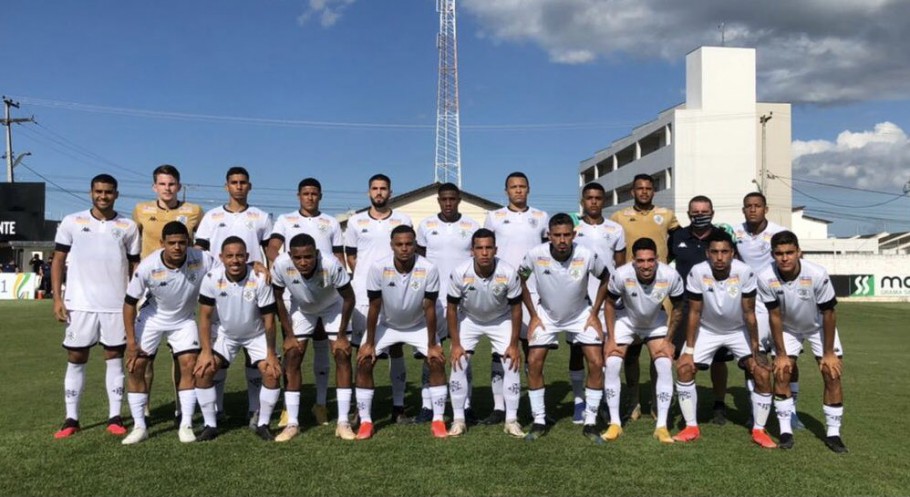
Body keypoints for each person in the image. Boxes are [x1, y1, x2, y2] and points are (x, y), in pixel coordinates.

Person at [51, 174, 140, 439]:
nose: (103, 196)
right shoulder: (72, 221)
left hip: (116, 305)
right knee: (76, 357)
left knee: (114, 357)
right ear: (91, 192)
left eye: (108, 192)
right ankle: (71, 418)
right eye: (99, 191)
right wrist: (58, 298)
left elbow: (135, 265)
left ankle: (115, 416)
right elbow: (57, 261)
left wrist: (134, 300)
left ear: (116, 194)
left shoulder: (128, 225)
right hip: (80, 304)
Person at [672, 231, 777, 448]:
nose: (720, 257)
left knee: (762, 372)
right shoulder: (698, 272)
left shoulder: (745, 272)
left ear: (733, 254)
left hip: (738, 330)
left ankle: (759, 429)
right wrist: (689, 349)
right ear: (707, 254)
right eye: (715, 252)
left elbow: (749, 312)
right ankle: (691, 426)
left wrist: (756, 349)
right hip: (707, 330)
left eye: (725, 252)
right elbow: (694, 312)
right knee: (683, 367)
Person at [120, 221, 216, 444]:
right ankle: (139, 426)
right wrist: (131, 342)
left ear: (189, 243)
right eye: (171, 243)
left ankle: (186, 424)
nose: (177, 247)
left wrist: (256, 266)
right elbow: (128, 304)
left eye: (182, 243)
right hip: (152, 318)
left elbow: (230, 265)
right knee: (136, 367)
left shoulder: (203, 259)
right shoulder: (147, 266)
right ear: (162, 243)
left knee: (189, 365)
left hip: (183, 320)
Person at [518, 213, 608, 443]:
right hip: (546, 316)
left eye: (566, 235)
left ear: (574, 235)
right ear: (549, 235)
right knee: (534, 361)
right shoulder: (535, 255)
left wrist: (595, 313)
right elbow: (519, 279)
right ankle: (539, 420)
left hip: (581, 315)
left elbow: (606, 278)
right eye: (557, 235)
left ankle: (590, 422)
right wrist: (534, 314)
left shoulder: (586, 255)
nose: (562, 240)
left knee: (597, 362)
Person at [194, 166, 273, 426]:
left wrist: (265, 267)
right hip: (220, 291)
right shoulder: (212, 216)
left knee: (255, 358)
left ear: (249, 186)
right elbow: (200, 252)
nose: (238, 186)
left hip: (251, 289)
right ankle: (215, 411)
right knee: (214, 358)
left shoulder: (260, 216)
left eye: (243, 182)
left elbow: (269, 250)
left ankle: (254, 410)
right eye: (234, 182)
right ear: (226, 186)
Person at [354, 225, 448, 439]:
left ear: (415, 245)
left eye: (409, 244)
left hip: (419, 325)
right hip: (387, 325)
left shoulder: (429, 268)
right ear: (392, 246)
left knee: (437, 361)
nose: (404, 248)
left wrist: (432, 343)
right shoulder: (379, 268)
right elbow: (374, 306)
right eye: (399, 244)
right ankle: (366, 421)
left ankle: (439, 420)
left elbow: (430, 307)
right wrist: (369, 343)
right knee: (364, 361)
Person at [757, 231, 847, 453]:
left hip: (818, 327)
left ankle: (833, 434)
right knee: (782, 371)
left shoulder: (817, 274)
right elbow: (774, 316)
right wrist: (780, 353)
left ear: (799, 252)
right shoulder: (765, 276)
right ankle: (786, 431)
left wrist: (827, 353)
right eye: (779, 254)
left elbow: (829, 313)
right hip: (787, 327)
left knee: (831, 372)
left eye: (789, 252)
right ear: (773, 254)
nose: (784, 258)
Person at [267, 177, 345, 427]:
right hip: (294, 292)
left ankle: (320, 403)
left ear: (320, 196)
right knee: (293, 351)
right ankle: (289, 411)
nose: (310, 197)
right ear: (298, 195)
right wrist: (279, 265)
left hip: (324, 290)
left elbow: (337, 255)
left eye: (314, 194)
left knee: (323, 346)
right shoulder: (285, 220)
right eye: (305, 193)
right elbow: (273, 247)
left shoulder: (330, 222)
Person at [132, 164, 204, 422]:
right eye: (162, 184)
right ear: (154, 187)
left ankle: (179, 406)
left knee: (181, 354)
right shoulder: (141, 210)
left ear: (179, 186)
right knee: (145, 355)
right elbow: (132, 248)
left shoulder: (193, 211)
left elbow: (200, 246)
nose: (167, 188)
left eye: (172, 184)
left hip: (180, 286)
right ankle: (145, 406)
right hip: (148, 287)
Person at [194, 237, 282, 442]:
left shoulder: (260, 278)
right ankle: (210, 425)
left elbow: (269, 321)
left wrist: (271, 354)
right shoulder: (211, 278)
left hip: (256, 334)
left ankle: (263, 424)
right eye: (230, 256)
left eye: (240, 256)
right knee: (203, 371)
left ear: (247, 257)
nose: (235, 260)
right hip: (226, 335)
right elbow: (205, 317)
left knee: (272, 372)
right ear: (221, 258)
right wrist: (206, 352)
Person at [271, 233, 356, 442]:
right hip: (303, 308)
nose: (303, 262)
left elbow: (349, 298)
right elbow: (278, 297)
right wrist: (289, 334)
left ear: (316, 253)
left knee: (342, 354)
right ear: (290, 255)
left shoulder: (331, 264)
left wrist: (343, 334)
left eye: (308, 257)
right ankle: (292, 423)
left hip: (333, 307)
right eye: (298, 258)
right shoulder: (281, 264)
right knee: (292, 355)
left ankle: (343, 422)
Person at [344, 174, 414, 423]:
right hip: (363, 295)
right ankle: (360, 409)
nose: (379, 192)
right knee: (363, 351)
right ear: (369, 192)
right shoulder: (355, 221)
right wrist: (365, 276)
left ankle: (398, 406)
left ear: (390, 192)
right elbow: (351, 257)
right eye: (375, 188)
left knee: (395, 348)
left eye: (383, 188)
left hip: (394, 293)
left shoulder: (403, 219)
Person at [609, 173, 679, 421]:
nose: (644, 192)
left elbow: (681, 241)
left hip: (659, 290)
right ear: (632, 191)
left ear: (654, 191)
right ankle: (634, 400)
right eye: (639, 188)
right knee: (631, 353)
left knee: (658, 350)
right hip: (630, 289)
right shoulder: (618, 217)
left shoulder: (667, 215)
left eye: (649, 188)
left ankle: (656, 402)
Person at [733, 192, 805, 429]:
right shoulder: (736, 233)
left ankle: (791, 411)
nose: (753, 210)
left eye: (757, 206)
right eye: (748, 206)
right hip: (750, 301)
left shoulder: (777, 232)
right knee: (755, 355)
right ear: (743, 210)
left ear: (766, 208)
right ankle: (757, 409)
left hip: (777, 298)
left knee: (787, 357)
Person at [601, 237, 683, 444]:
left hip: (656, 321)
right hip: (627, 321)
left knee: (664, 363)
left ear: (656, 259)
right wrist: (610, 339)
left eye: (650, 260)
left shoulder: (670, 275)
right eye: (640, 261)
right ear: (633, 261)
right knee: (612, 362)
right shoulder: (621, 274)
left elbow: (680, 308)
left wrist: (669, 340)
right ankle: (615, 424)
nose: (646, 265)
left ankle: (662, 427)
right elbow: (609, 304)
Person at [482, 171, 548, 425]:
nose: (518, 190)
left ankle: (535, 407)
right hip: (501, 291)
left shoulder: (541, 217)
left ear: (529, 189)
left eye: (522, 186)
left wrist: (529, 277)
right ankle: (500, 407)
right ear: (506, 190)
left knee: (532, 350)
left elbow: (545, 253)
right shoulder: (494, 217)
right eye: (513, 187)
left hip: (533, 291)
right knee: (500, 351)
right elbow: (484, 249)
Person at [446, 229, 524, 437]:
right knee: (459, 362)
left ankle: (512, 420)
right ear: (472, 251)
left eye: (489, 248)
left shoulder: (508, 272)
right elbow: (451, 308)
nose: (484, 253)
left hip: (501, 319)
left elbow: (517, 308)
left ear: (495, 249)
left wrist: (514, 345)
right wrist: (455, 344)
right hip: (469, 319)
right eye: (479, 248)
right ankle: (458, 420)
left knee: (511, 364)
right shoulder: (460, 271)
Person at [415, 182, 480, 423]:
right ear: (438, 200)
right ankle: (427, 405)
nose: (448, 203)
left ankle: (466, 404)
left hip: (463, 299)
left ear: (459, 199)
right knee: (430, 351)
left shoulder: (472, 226)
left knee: (462, 353)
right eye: (444, 199)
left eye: (452, 199)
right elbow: (418, 263)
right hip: (433, 298)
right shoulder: (426, 226)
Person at [667, 195, 734, 425]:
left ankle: (718, 404)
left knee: (718, 360)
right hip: (685, 308)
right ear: (688, 214)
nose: (700, 215)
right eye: (695, 212)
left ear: (712, 213)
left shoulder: (721, 238)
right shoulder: (677, 236)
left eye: (704, 212)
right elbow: (665, 265)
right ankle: (684, 405)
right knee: (680, 357)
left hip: (717, 307)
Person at [574, 182, 626, 423]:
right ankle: (578, 401)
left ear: (603, 201)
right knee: (577, 352)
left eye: (598, 198)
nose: (593, 202)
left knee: (603, 352)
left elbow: (620, 266)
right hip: (577, 298)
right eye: (589, 198)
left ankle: (603, 400)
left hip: (605, 297)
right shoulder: (572, 228)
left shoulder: (615, 229)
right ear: (583, 201)